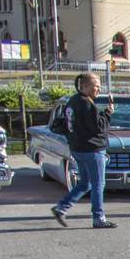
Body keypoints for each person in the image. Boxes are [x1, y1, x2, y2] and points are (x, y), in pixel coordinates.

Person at [51, 72, 117, 228]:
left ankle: (62, 207)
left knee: (85, 183)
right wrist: (108, 113)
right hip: (92, 149)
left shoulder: (72, 102)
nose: (98, 90)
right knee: (98, 184)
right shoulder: (86, 104)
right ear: (85, 86)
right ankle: (98, 217)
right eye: (96, 86)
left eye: (99, 87)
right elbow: (99, 127)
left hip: (77, 148)